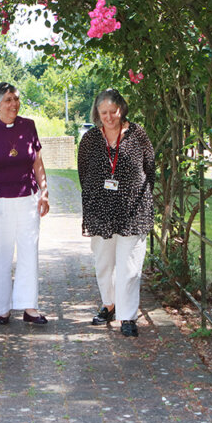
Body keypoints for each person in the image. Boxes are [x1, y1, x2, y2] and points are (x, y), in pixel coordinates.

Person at [0, 83, 50, 325]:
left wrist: (44, 193)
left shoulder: (29, 126)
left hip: (27, 201)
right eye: (7, 100)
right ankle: (1, 308)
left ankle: (29, 307)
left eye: (15, 98)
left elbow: (37, 163)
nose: (13, 104)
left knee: (29, 253)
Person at [77, 88, 155, 337]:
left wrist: (138, 196)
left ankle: (128, 316)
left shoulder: (137, 134)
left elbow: (150, 169)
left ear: (122, 109)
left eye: (113, 111)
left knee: (129, 266)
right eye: (104, 112)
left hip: (133, 209)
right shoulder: (90, 139)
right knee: (104, 263)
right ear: (97, 113)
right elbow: (83, 173)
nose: (109, 117)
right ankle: (109, 305)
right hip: (100, 210)